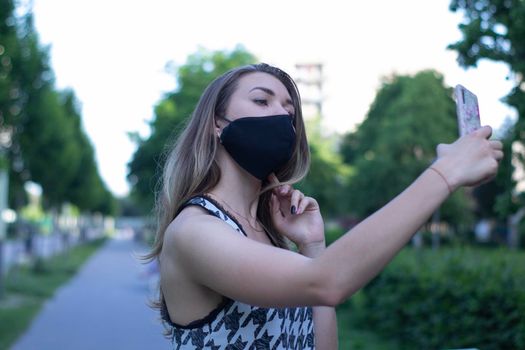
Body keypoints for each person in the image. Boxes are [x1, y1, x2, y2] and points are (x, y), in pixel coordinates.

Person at [146, 63, 503, 349]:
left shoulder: (270, 235)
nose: (282, 117)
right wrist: (446, 173)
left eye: (289, 110)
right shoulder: (195, 231)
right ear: (216, 123)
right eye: (261, 101)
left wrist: (313, 246)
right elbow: (327, 283)